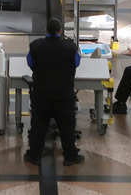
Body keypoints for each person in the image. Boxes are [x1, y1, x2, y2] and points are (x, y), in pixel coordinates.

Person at [24, 18, 84, 167]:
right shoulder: (71, 47)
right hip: (64, 96)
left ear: (46, 31)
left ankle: (34, 156)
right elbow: (77, 62)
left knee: (38, 126)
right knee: (67, 127)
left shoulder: (35, 46)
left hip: (41, 95)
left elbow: (30, 63)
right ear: (60, 31)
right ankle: (70, 156)